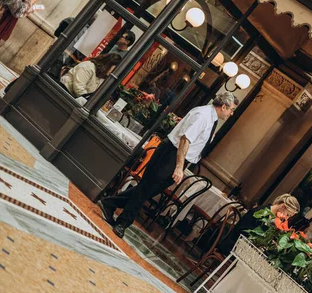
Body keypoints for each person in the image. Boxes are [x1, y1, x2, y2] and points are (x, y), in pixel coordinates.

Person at [97, 92, 238, 238]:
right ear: (223, 106)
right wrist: (178, 166)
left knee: (147, 190)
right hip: (170, 155)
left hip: (177, 157)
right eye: (231, 109)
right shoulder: (203, 115)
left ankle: (110, 203)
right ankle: (123, 222)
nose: (232, 113)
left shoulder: (212, 118)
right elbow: (185, 140)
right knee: (145, 190)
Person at [217, 193, 300, 255]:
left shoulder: (273, 219)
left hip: (244, 249)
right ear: (283, 207)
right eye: (288, 214)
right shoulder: (261, 212)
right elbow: (243, 231)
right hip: (233, 245)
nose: (286, 218)